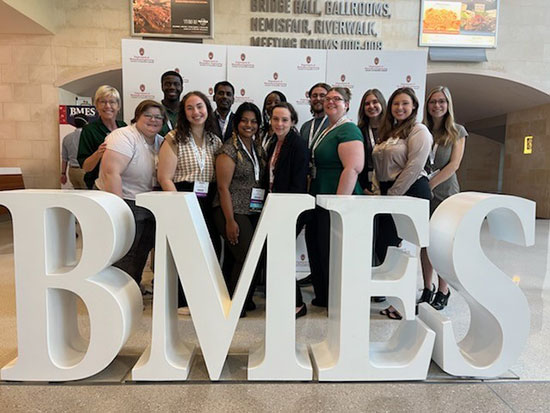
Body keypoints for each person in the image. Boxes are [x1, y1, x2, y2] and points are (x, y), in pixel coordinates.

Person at [157, 91, 223, 315]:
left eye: (200, 107)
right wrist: (180, 207)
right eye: (190, 108)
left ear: (207, 109)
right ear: (184, 113)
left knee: (209, 248)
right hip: (183, 197)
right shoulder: (173, 138)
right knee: (185, 250)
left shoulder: (215, 140)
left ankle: (204, 296)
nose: (196, 112)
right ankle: (183, 300)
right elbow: (164, 177)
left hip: (209, 200)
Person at [372, 87, 433, 320]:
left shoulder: (419, 130)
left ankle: (406, 303)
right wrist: (381, 193)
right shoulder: (389, 132)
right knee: (387, 248)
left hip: (410, 192)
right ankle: (395, 298)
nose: (400, 108)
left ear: (414, 107)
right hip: (390, 193)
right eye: (396, 104)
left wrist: (394, 196)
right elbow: (378, 166)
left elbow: (414, 167)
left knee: (407, 249)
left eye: (405, 104)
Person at [95, 100, 165, 289]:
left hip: (148, 202)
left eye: (158, 117)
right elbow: (112, 173)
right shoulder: (123, 136)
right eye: (148, 115)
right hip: (124, 200)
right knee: (126, 250)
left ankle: (133, 286)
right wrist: (119, 211)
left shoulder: (160, 141)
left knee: (142, 249)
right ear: (137, 117)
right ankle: (120, 292)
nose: (153, 120)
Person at [307, 87, 364, 308]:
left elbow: (352, 168)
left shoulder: (348, 129)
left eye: (336, 99)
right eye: (327, 98)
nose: (330, 101)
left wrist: (339, 206)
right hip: (321, 194)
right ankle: (324, 296)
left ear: (347, 104)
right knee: (320, 247)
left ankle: (337, 300)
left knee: (333, 250)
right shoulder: (328, 128)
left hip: (337, 198)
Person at [213, 102, 266, 317]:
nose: (249, 125)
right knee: (244, 254)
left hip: (252, 210)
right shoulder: (229, 148)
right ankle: (236, 303)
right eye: (244, 120)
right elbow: (222, 187)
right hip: (231, 210)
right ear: (237, 122)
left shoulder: (258, 148)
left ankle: (244, 298)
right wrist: (230, 221)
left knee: (251, 256)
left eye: (254, 121)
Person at [419, 86, 467, 311]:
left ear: (448, 105)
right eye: (432, 102)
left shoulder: (457, 131)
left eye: (441, 102)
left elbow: (454, 165)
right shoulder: (422, 130)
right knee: (425, 244)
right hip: (423, 193)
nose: (437, 106)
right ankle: (427, 288)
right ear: (427, 106)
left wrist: (429, 185)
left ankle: (443, 290)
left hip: (445, 193)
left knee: (442, 244)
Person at [264, 102, 309, 318]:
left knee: (282, 254)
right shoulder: (275, 142)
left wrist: (286, 213)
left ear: (292, 122)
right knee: (278, 255)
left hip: (289, 209)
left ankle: (298, 303)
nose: (279, 123)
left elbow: (298, 183)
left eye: (284, 120)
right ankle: (285, 298)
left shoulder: (297, 144)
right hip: (275, 206)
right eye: (275, 119)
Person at [78, 85, 126, 189]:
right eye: (103, 102)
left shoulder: (124, 127)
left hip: (123, 184)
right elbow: (86, 167)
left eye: (112, 102)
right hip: (98, 186)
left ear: (118, 106)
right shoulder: (89, 130)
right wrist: (98, 153)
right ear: (96, 106)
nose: (108, 106)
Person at [357, 89, 387, 195]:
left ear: (382, 104)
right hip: (366, 184)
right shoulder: (359, 131)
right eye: (367, 104)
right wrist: (363, 187)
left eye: (375, 102)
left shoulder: (392, 130)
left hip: (388, 183)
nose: (371, 106)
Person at [61, 114, 88, 189]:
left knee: (77, 195)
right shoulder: (88, 136)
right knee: (88, 196)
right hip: (85, 171)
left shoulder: (67, 138)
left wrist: (63, 174)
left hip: (72, 172)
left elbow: (64, 159)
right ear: (86, 123)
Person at [299, 82, 330, 147]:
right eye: (314, 96)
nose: (318, 98)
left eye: (322, 96)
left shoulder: (334, 125)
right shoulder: (305, 126)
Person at [159, 70, 184, 136]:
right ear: (162, 87)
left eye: (176, 84)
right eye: (167, 84)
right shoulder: (155, 110)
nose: (172, 87)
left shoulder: (188, 111)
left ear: (182, 88)